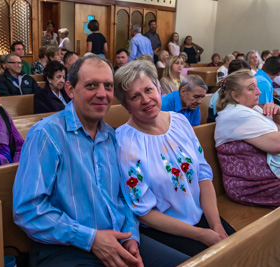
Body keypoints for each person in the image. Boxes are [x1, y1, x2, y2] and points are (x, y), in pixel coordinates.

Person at [13, 54, 190, 266]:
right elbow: (28, 209)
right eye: (91, 85)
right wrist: (91, 239)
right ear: (70, 90)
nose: (102, 94)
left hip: (118, 239)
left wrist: (132, 236)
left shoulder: (113, 137)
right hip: (66, 247)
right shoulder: (47, 134)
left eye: (108, 86)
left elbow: (123, 198)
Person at [114, 60, 235, 257]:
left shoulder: (179, 121)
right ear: (126, 105)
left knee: (245, 251)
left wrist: (216, 225)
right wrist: (201, 235)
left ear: (158, 88)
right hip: (164, 229)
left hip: (203, 215)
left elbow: (203, 175)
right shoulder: (124, 143)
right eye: (135, 96)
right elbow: (143, 212)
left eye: (148, 90)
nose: (146, 100)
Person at [215, 69, 280, 208]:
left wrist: (276, 114)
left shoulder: (251, 109)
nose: (259, 92)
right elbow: (277, 144)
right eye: (252, 89)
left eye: (257, 87)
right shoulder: (236, 115)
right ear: (235, 96)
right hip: (250, 187)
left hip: (266, 180)